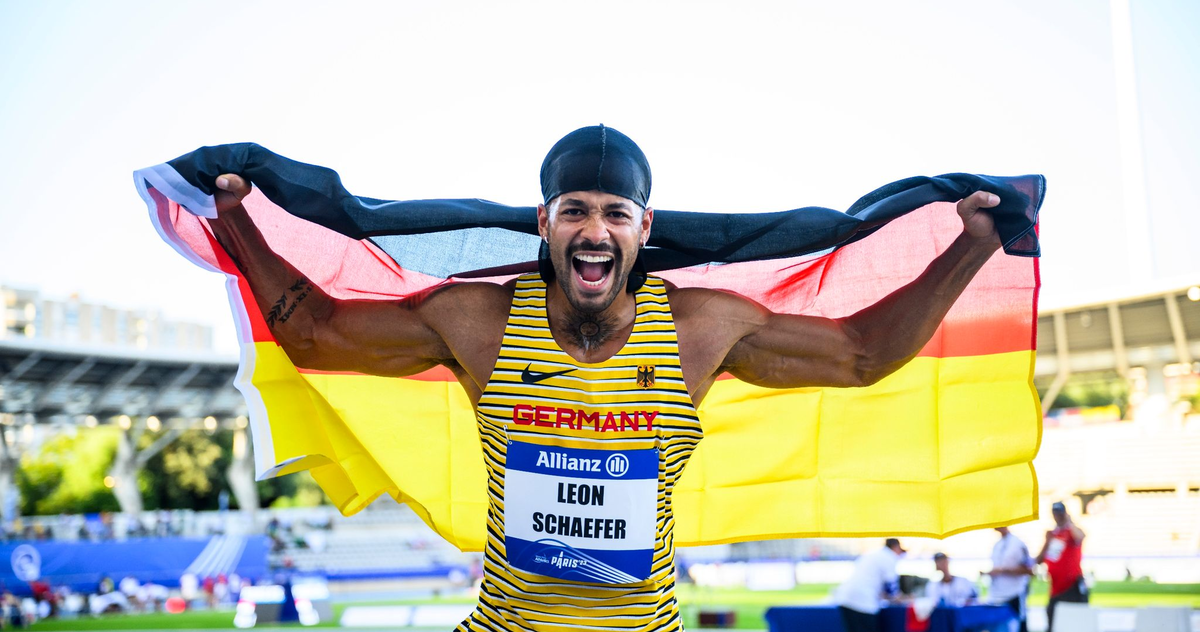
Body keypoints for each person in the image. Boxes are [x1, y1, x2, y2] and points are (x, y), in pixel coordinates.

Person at [207, 125, 1005, 632]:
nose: (595, 230)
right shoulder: (478, 323)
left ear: (643, 229)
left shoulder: (700, 328)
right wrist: (235, 217)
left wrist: (969, 247)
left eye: (616, 212)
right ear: (543, 224)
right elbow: (316, 332)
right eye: (575, 210)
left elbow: (862, 354)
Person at [833, 538, 907, 631]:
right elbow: (892, 589)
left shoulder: (874, 554)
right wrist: (903, 599)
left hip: (846, 598)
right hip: (863, 602)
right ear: (896, 547)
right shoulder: (889, 557)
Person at [1037, 501, 1087, 631]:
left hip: (1071, 586)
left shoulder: (1071, 531)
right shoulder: (1052, 535)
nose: (1058, 516)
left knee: (1074, 623)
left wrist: (1069, 523)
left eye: (1060, 513)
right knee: (1053, 621)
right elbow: (1039, 560)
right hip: (1055, 587)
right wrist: (1047, 542)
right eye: (1055, 513)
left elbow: (1080, 537)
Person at [986, 526, 1033, 632]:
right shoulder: (997, 545)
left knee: (1018, 625)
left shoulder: (1017, 543)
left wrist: (1003, 571)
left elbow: (1029, 570)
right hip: (998, 596)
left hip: (1014, 593)